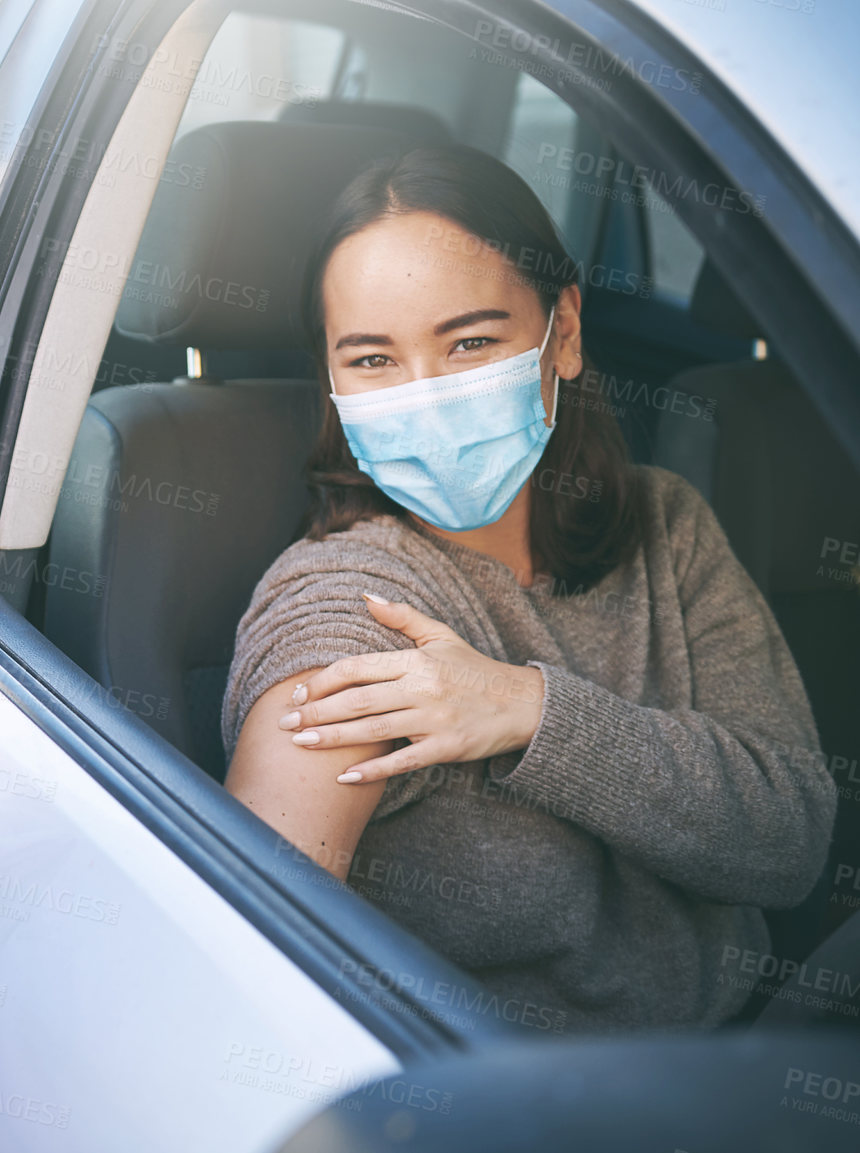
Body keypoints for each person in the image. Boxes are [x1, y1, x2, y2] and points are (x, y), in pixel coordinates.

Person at [221, 145, 836, 1032]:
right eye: (372, 359)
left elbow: (790, 840)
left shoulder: (668, 526)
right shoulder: (346, 602)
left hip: (726, 1068)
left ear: (566, 333)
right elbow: (253, 955)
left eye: (470, 340)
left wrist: (529, 712)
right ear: (331, 378)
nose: (426, 396)